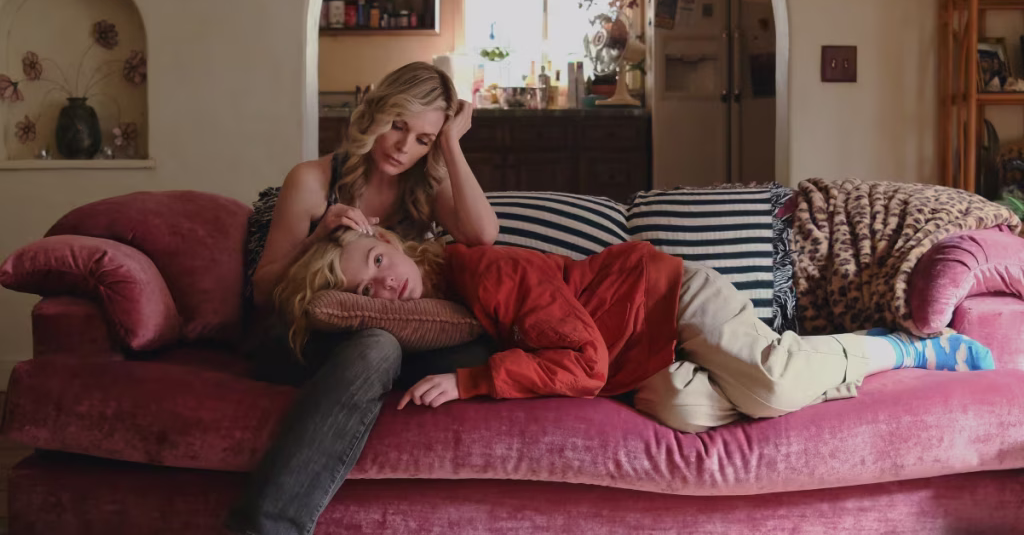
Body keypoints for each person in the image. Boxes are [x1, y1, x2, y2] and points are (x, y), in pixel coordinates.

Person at [276, 227, 996, 433]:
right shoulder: (436, 317)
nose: (383, 287)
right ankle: (800, 362)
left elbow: (582, 362)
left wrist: (471, 381)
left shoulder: (483, 271)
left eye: (377, 262)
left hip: (666, 298)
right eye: (364, 292)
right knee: (683, 407)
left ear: (393, 241)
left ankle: (900, 346)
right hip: (635, 362)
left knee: (774, 384)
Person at [227, 62, 499, 535]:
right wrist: (318, 237)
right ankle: (264, 527)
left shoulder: (424, 184)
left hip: (395, 340)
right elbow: (265, 291)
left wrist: (451, 145)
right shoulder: (313, 179)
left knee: (478, 348)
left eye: (423, 139)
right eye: (398, 125)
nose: (403, 147)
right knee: (378, 346)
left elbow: (483, 235)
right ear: (375, 111)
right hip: (302, 334)